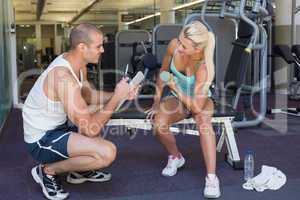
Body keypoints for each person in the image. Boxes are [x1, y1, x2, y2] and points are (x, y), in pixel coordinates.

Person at [22, 23, 138, 200]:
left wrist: (119, 93)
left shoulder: (76, 64)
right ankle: (47, 170)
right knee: (106, 153)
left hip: (59, 126)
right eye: (99, 46)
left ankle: (78, 171)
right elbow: (90, 128)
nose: (102, 51)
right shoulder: (63, 77)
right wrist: (116, 99)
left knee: (95, 112)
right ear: (82, 47)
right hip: (42, 139)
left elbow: (89, 95)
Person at [146, 21, 221, 198]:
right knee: (158, 124)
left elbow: (195, 107)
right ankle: (176, 157)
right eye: (179, 41)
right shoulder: (174, 46)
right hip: (177, 98)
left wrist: (176, 87)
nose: (178, 47)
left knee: (203, 121)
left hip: (199, 100)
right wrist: (157, 101)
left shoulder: (205, 67)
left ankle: (211, 178)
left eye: (184, 45)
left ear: (197, 50)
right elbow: (163, 73)